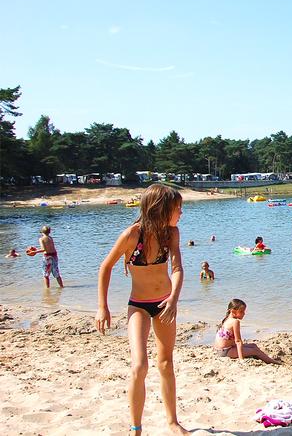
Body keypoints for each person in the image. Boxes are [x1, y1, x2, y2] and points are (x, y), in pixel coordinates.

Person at [94, 183, 187, 435]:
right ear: (161, 208)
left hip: (165, 304)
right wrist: (103, 307)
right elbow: (105, 267)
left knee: (166, 364)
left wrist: (174, 299)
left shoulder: (172, 233)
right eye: (178, 208)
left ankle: (172, 422)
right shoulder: (132, 235)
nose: (181, 212)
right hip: (139, 306)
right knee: (139, 366)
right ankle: (136, 428)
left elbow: (177, 268)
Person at [214, 299, 280, 364]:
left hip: (220, 350)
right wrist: (241, 359)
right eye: (241, 311)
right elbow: (238, 341)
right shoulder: (235, 322)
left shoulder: (226, 319)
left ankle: (265, 357)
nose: (244, 313)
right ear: (233, 311)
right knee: (255, 351)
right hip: (225, 352)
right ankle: (273, 362)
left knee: (253, 345)